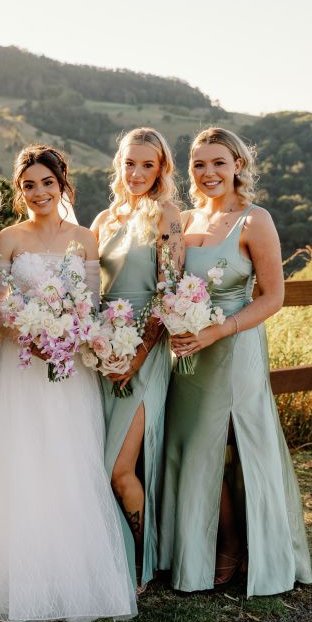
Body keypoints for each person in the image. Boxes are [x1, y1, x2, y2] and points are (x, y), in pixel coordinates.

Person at [0, 145, 136, 622]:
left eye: (47, 183)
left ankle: (70, 577)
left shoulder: (85, 238)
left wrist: (65, 333)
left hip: (69, 369)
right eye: (28, 185)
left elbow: (87, 302)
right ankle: (9, 574)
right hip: (19, 363)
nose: (38, 192)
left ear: (62, 186)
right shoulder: (8, 237)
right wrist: (31, 333)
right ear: (19, 190)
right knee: (17, 460)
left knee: (67, 458)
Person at [160, 128, 312, 595]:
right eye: (199, 165)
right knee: (190, 446)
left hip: (234, 347)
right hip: (188, 354)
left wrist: (218, 330)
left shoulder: (254, 220)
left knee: (237, 446)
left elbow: (274, 297)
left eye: (218, 163)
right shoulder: (184, 221)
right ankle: (212, 545)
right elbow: (166, 284)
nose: (208, 173)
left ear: (237, 166)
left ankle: (247, 548)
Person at [89, 128, 182, 592]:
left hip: (145, 353)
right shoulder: (105, 219)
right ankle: (110, 557)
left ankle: (140, 567)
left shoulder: (167, 216)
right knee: (95, 463)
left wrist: (138, 356)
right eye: (130, 163)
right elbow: (90, 289)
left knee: (119, 468)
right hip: (103, 353)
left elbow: (169, 294)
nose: (138, 173)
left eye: (148, 165)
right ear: (118, 165)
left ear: (162, 168)